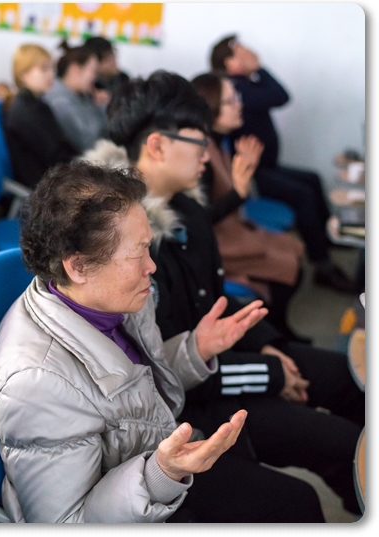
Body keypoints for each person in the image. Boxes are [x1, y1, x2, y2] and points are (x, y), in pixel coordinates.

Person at [0, 160, 325, 523]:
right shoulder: (35, 383)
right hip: (143, 493)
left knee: (296, 490)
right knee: (295, 504)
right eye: (139, 252)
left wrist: (195, 350)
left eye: (149, 247)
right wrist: (161, 474)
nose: (152, 266)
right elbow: (65, 522)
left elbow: (133, 387)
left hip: (159, 449)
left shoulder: (108, 298)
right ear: (78, 266)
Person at [103, 70, 364, 516]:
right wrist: (272, 373)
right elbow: (162, 372)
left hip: (225, 365)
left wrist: (268, 345)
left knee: (347, 377)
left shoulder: (188, 209)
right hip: (193, 404)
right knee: (312, 485)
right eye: (198, 142)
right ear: (157, 146)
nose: (208, 154)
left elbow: (217, 299)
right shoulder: (131, 246)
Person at [210, 35, 354, 293]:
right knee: (303, 194)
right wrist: (259, 67)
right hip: (254, 174)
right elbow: (280, 95)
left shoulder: (245, 85)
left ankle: (325, 239)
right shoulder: (237, 89)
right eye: (241, 53)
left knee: (312, 178)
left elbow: (278, 95)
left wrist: (255, 69)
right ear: (228, 63)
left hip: (266, 166)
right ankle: (323, 265)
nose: (249, 54)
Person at [190, 72, 306, 339]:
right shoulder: (201, 156)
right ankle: (276, 334)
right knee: (289, 265)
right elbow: (200, 220)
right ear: (211, 108)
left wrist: (244, 175)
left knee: (293, 248)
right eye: (231, 101)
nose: (239, 104)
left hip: (234, 231)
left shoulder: (218, 142)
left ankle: (278, 328)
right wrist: (239, 193)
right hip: (220, 245)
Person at [4, 44, 79, 189]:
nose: (51, 74)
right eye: (44, 69)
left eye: (51, 68)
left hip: (51, 176)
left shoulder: (35, 103)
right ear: (23, 74)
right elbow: (55, 156)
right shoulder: (27, 111)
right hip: (44, 186)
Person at [43, 43, 108, 152]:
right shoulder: (59, 101)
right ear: (75, 69)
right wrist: (102, 108)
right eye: (93, 71)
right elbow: (88, 143)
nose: (94, 78)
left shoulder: (83, 96)